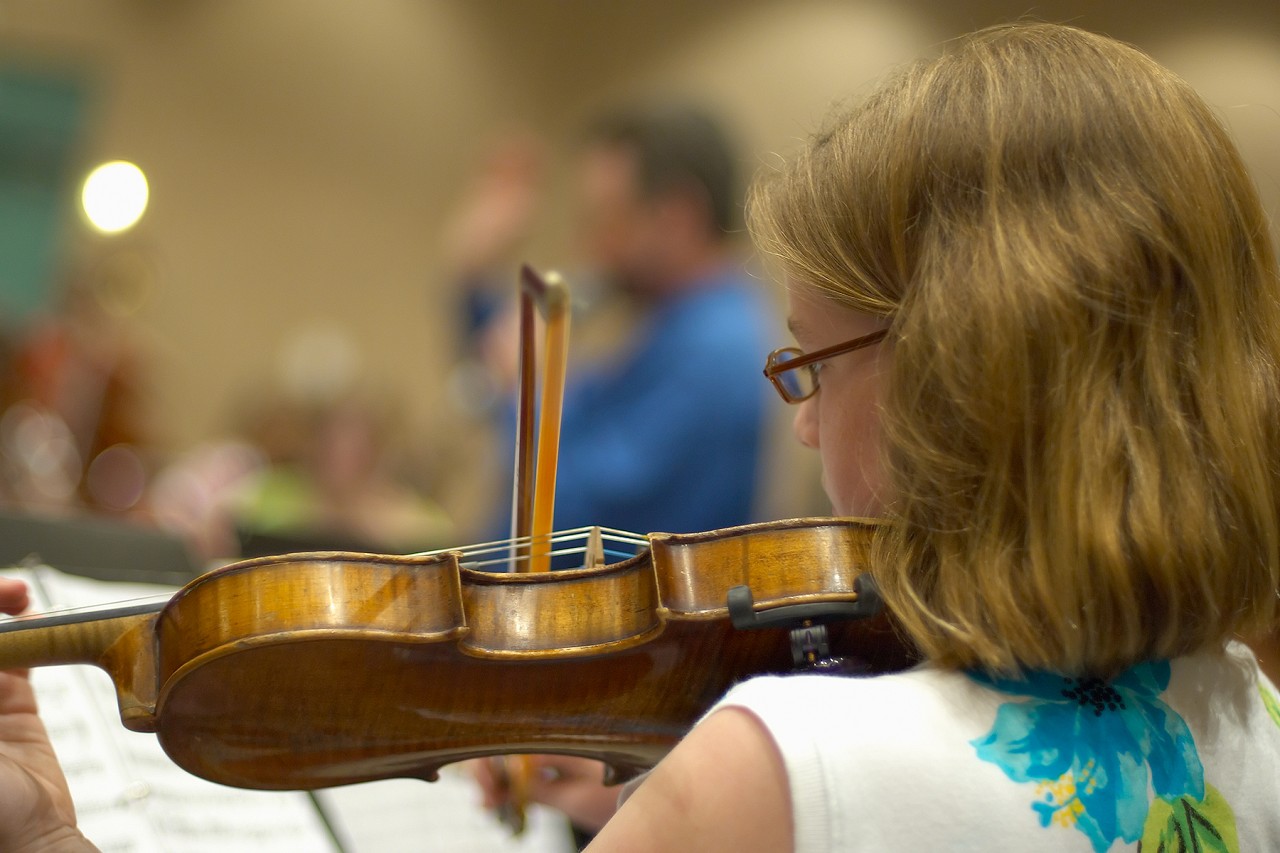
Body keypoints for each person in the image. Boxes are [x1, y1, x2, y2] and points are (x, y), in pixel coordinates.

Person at [2, 22, 1280, 852]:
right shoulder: (1253, 719)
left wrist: (55, 837)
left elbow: (577, 504)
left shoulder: (777, 773)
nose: (799, 401)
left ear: (953, 376)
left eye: (812, 366)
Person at [449, 103, 776, 541]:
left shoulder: (715, 349)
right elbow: (575, 420)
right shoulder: (674, 327)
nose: (587, 245)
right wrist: (475, 276)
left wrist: (526, 386)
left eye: (604, 217)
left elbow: (576, 523)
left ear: (677, 216)